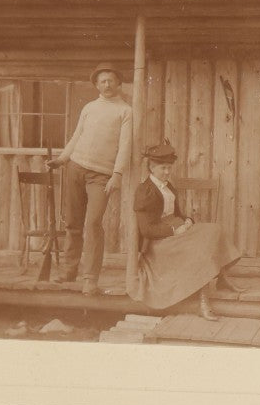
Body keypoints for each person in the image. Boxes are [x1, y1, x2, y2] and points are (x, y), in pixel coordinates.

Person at [129, 142, 242, 320]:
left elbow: (178, 214)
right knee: (200, 246)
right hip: (158, 244)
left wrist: (188, 220)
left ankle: (221, 276)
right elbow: (147, 229)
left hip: (176, 231)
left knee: (214, 230)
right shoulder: (145, 191)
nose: (167, 172)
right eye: (163, 168)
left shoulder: (168, 187)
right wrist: (175, 230)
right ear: (151, 167)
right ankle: (203, 301)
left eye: (169, 168)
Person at [47, 62, 132, 295]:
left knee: (93, 223)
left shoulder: (125, 111)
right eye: (102, 81)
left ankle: (90, 278)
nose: (107, 84)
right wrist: (63, 159)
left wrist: (117, 174)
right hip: (76, 167)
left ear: (118, 83)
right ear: (96, 84)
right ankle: (68, 271)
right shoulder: (89, 108)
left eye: (111, 80)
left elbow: (125, 146)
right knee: (73, 222)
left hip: (101, 175)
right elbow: (77, 135)